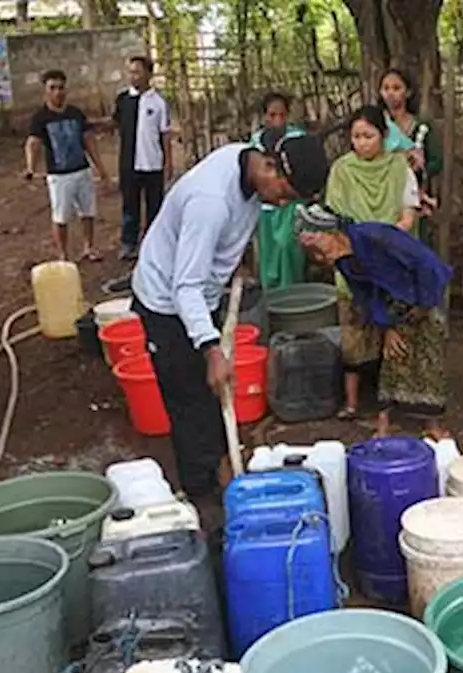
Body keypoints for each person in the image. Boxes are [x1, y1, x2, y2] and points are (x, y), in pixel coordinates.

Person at [130, 128, 329, 499]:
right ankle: (205, 502)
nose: (283, 203)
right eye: (285, 194)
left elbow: (242, 223)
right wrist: (211, 349)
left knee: (212, 396)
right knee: (190, 403)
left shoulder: (247, 167)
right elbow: (184, 286)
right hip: (166, 301)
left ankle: (224, 471)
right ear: (271, 166)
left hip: (202, 294)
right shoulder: (211, 201)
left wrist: (239, 263)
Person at [299, 206, 452, 439]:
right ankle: (384, 424)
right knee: (393, 356)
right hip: (393, 299)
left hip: (426, 289)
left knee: (429, 357)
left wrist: (424, 304)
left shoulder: (376, 237)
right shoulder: (344, 261)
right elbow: (366, 295)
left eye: (320, 251)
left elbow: (425, 263)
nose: (321, 259)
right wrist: (386, 326)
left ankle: (432, 424)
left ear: (333, 234)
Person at [325, 105, 422, 420]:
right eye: (355, 136)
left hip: (392, 256)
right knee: (354, 330)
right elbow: (336, 217)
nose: (361, 143)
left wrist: (386, 238)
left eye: (368, 135)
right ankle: (352, 401)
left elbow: (409, 211)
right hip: (354, 256)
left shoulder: (399, 168)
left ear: (383, 136)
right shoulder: (341, 170)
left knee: (396, 330)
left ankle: (392, 403)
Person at [24, 68, 110, 262]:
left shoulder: (75, 113)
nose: (57, 92)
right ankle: (63, 254)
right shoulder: (41, 118)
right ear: (45, 91)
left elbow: (88, 140)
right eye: (52, 88)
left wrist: (100, 168)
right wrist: (30, 167)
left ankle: (89, 247)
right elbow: (33, 143)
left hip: (82, 169)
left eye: (61, 88)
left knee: (88, 211)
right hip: (59, 175)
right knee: (61, 216)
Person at [112, 55, 173, 261]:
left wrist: (168, 162)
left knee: (154, 205)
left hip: (152, 163)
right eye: (130, 72)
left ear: (149, 74)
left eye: (137, 72)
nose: (133, 77)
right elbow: (116, 125)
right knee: (130, 205)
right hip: (129, 164)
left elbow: (165, 134)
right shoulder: (123, 100)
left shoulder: (158, 102)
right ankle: (129, 243)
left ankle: (153, 244)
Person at [251, 92, 309, 289]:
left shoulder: (298, 139)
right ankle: (272, 299)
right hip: (267, 207)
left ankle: (293, 293)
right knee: (269, 254)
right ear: (264, 116)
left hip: (291, 204)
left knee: (288, 247)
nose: (277, 120)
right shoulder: (256, 142)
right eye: (272, 115)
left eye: (282, 115)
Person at [379, 68, 443, 226]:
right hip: (380, 194)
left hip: (414, 194)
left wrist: (418, 165)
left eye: (396, 88)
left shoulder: (422, 126)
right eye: (385, 88)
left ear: (408, 92)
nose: (390, 93)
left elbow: (437, 161)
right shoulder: (377, 124)